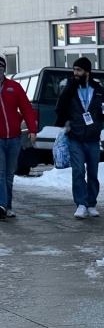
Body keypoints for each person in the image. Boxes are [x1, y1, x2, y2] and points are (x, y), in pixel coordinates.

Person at [55, 56, 104, 218]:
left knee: (93, 172)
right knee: (78, 171)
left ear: (87, 71)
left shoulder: (99, 90)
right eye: (74, 70)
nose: (75, 73)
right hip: (76, 138)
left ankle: (91, 203)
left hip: (93, 139)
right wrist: (66, 123)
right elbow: (60, 107)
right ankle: (81, 203)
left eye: (79, 70)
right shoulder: (70, 89)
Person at [0, 54, 38, 220]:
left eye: (1, 69)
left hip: (14, 138)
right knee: (0, 173)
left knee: (9, 174)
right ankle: (1, 205)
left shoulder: (14, 87)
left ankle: (7, 206)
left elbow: (26, 108)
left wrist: (32, 129)